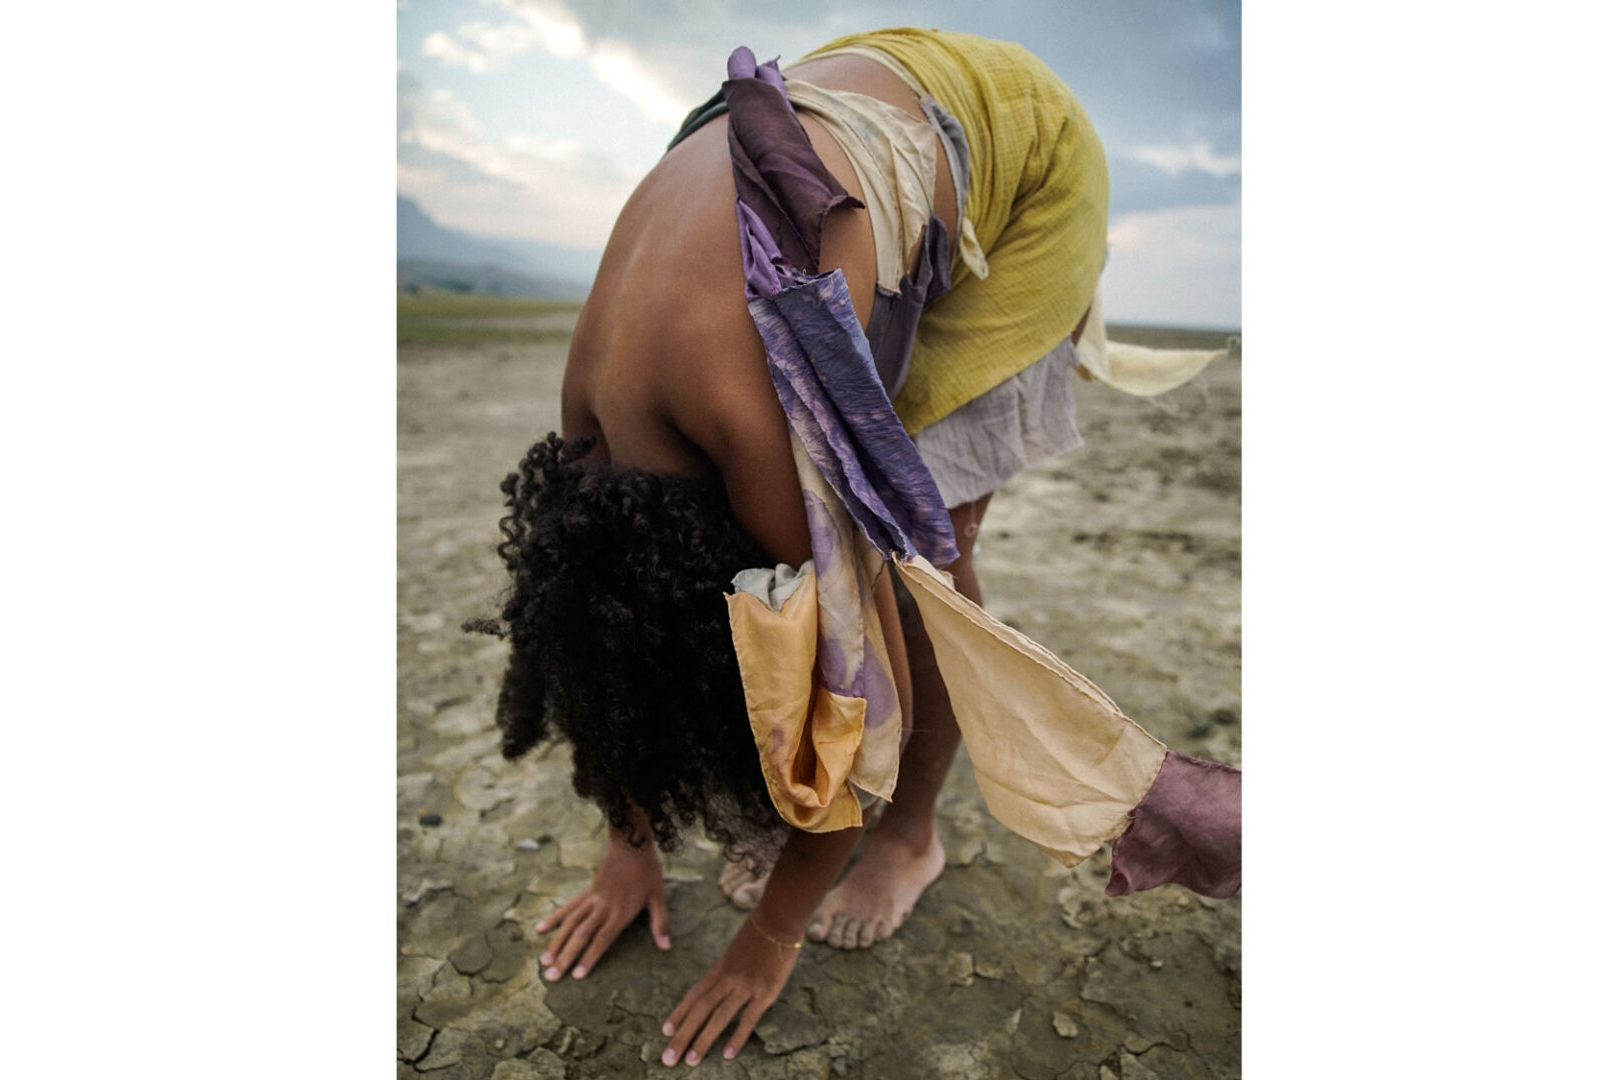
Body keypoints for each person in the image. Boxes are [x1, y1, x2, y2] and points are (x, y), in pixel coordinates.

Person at [473, 28, 1235, 1068]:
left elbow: (864, 709)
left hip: (1024, 165)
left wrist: (768, 934)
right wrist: (627, 845)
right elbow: (593, 657)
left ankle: (914, 843)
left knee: (920, 578)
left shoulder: (756, 442)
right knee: (685, 622)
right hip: (869, 104)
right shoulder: (587, 442)